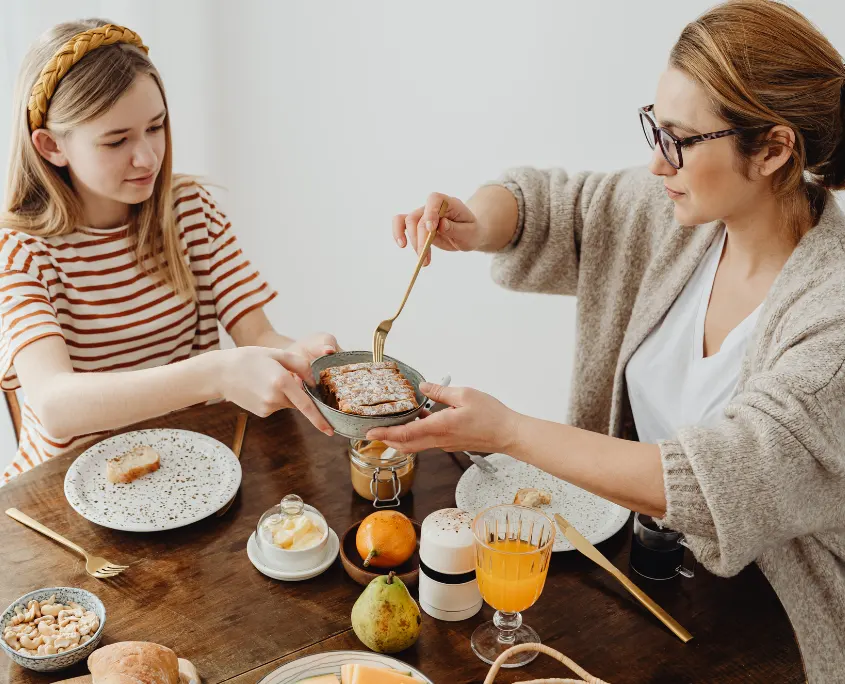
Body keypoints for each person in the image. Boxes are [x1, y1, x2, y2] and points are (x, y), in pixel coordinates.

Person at [369, 1, 845, 680]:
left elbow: (719, 482)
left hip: (770, 625)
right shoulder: (679, 214)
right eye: (653, 127)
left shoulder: (832, 322)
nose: (655, 163)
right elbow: (548, 202)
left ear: (771, 148)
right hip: (631, 570)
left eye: (678, 139)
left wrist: (506, 430)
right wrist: (477, 222)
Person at [0, 20, 338, 485]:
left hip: (187, 473)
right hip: (65, 495)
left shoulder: (189, 210)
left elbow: (257, 335)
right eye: (117, 140)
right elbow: (55, 405)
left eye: (156, 127)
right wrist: (215, 374)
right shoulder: (20, 252)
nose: (148, 157)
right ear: (51, 146)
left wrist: (299, 356)